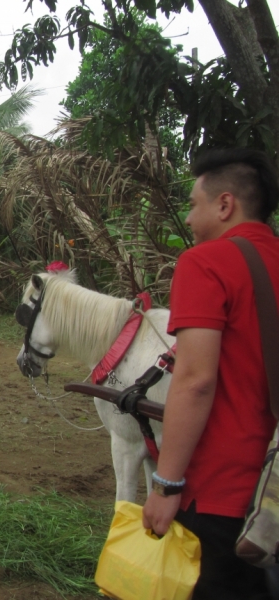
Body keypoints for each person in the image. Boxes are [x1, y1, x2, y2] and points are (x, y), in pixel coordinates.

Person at [142, 148, 279, 598]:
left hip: (227, 494)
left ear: (225, 205)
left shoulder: (207, 263)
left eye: (194, 204)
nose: (189, 215)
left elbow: (196, 380)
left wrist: (166, 484)